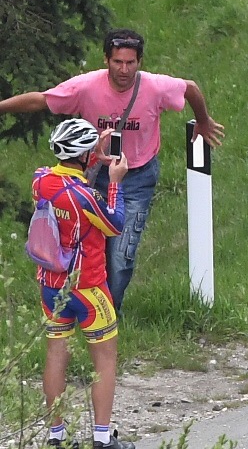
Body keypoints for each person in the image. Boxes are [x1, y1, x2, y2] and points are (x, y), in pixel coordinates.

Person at [0, 29, 224, 311]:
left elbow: (189, 87)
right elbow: (43, 100)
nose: (124, 69)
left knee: (120, 257)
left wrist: (203, 121)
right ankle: (81, 311)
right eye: (118, 62)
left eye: (130, 63)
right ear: (106, 59)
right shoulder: (86, 87)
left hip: (137, 179)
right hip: (95, 178)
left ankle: (108, 314)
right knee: (89, 252)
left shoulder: (154, 87)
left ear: (140, 62)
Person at [35, 118, 135, 449]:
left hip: (51, 287)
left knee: (55, 354)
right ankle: (103, 439)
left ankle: (56, 437)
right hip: (89, 288)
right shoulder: (86, 197)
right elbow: (114, 224)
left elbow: (67, 184)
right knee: (104, 360)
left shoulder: (40, 181)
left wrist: (92, 156)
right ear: (83, 153)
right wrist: (116, 182)